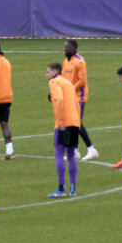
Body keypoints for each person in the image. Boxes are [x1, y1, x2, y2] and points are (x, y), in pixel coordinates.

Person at [47, 63, 80, 198]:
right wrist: (78, 121)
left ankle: (61, 188)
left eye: (48, 71)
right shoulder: (68, 83)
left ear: (55, 71)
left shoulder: (54, 82)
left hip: (63, 123)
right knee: (71, 155)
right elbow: (76, 103)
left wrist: (59, 121)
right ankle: (73, 188)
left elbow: (59, 99)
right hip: (74, 122)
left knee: (59, 155)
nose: (46, 74)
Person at [62, 40, 99, 160]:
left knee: (76, 123)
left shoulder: (80, 62)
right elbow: (63, 78)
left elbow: (82, 81)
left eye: (66, 48)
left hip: (79, 96)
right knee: (72, 123)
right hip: (69, 95)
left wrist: (69, 90)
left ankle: (91, 149)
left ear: (72, 49)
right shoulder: (66, 62)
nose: (64, 50)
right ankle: (75, 151)